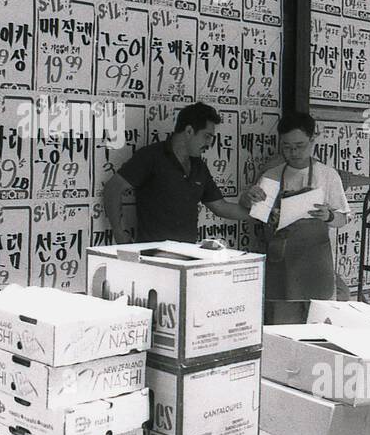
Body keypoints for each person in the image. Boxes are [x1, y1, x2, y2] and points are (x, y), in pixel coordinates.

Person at [102, 102, 253, 244]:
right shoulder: (151, 156)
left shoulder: (199, 166)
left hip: (188, 256)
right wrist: (118, 230)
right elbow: (113, 189)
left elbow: (221, 207)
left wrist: (261, 216)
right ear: (189, 131)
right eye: (207, 136)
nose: (209, 144)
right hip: (153, 256)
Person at [241, 110, 352, 303]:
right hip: (281, 261)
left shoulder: (327, 175)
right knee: (282, 318)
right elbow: (253, 212)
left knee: (318, 318)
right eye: (287, 147)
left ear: (312, 140)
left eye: (300, 146)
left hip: (315, 263)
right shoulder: (271, 175)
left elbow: (343, 219)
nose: (294, 153)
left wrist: (328, 216)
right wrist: (249, 198)